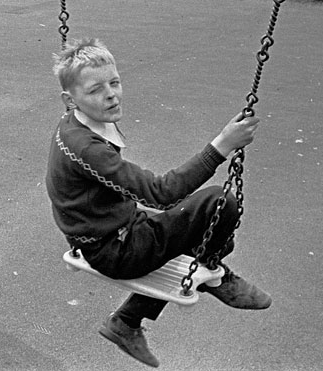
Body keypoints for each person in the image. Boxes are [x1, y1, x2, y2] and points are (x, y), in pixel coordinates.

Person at [46, 38, 271, 368]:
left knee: (196, 225)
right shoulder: (86, 147)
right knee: (220, 203)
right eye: (95, 90)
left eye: (115, 82)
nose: (110, 94)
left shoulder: (78, 123)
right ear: (71, 100)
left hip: (111, 230)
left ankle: (126, 321)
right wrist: (223, 144)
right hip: (113, 249)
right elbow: (161, 193)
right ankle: (214, 273)